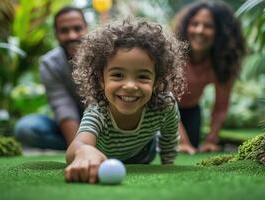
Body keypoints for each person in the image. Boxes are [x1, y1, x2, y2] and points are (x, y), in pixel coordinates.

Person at [63, 17, 186, 183]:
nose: (129, 86)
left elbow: (169, 136)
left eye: (142, 77)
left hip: (143, 154)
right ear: (101, 79)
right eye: (118, 75)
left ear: (157, 81)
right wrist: (84, 151)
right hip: (103, 159)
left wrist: (168, 164)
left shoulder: (165, 105)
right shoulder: (98, 111)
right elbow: (77, 146)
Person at [174, 1, 246, 154]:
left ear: (221, 32)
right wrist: (182, 141)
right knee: (170, 147)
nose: (199, 30)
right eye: (194, 23)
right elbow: (165, 103)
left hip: (191, 110)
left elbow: (220, 107)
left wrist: (210, 140)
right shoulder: (172, 55)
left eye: (208, 26)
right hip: (161, 109)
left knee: (193, 145)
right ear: (186, 26)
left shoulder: (223, 62)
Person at [14, 6, 87, 150]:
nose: (72, 36)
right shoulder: (49, 63)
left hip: (106, 126)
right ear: (56, 34)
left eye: (77, 29)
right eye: (64, 31)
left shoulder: (104, 56)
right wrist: (79, 151)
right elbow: (63, 106)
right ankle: (80, 146)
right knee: (25, 128)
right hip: (71, 127)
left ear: (87, 29)